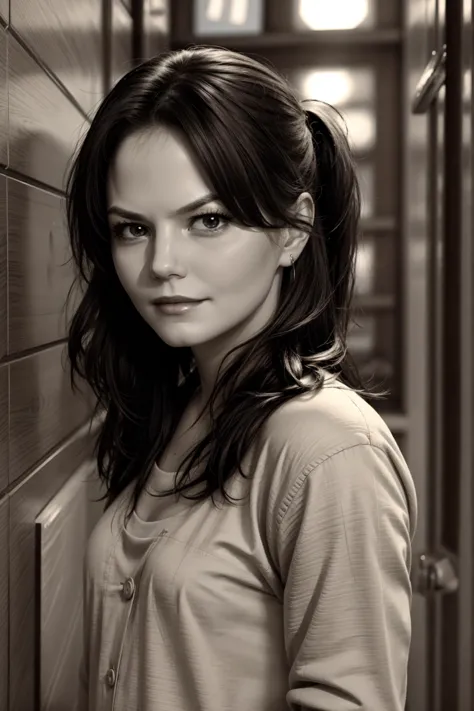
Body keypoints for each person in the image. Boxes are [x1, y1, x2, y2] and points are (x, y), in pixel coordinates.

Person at [67, 45, 417, 711]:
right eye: (133, 228)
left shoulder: (329, 450)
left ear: (293, 228)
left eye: (208, 220)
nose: (163, 264)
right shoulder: (175, 406)